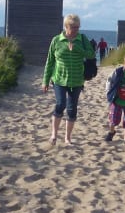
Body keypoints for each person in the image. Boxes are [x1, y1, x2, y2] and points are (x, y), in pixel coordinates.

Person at [42, 13, 97, 145]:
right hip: (59, 79)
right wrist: (45, 80)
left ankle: (67, 138)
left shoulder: (82, 39)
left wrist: (78, 49)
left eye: (78, 27)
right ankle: (54, 135)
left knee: (72, 110)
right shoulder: (56, 40)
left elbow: (91, 54)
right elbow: (50, 61)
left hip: (77, 80)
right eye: (73, 27)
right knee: (61, 104)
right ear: (66, 26)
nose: (76, 30)